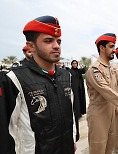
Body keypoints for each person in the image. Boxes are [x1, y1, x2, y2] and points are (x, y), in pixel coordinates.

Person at [0, 15, 76, 154]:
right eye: (48, 41)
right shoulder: (14, 78)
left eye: (58, 41)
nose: (56, 46)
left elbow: (70, 112)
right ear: (31, 46)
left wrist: (72, 139)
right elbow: (7, 129)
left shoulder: (66, 76)